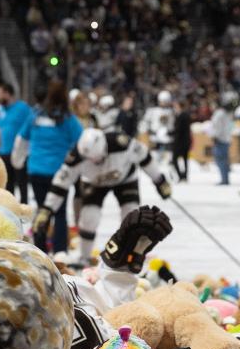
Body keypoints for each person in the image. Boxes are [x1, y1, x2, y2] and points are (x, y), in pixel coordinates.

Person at [34, 127, 172, 264]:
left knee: (131, 214)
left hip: (125, 179)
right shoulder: (75, 157)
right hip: (94, 183)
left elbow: (144, 157)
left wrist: (160, 180)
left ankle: (128, 253)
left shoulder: (121, 143)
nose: (95, 162)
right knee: (89, 217)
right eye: (91, 160)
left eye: (98, 159)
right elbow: (60, 184)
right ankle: (84, 256)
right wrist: (47, 209)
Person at [12, 80, 82, 255]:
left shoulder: (35, 115)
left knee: (43, 208)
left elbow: (21, 139)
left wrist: (17, 161)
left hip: (36, 170)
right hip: (59, 173)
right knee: (59, 212)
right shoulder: (68, 119)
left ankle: (40, 248)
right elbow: (82, 141)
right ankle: (59, 250)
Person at [0, 82, 31, 203]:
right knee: (7, 184)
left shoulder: (23, 108)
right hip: (4, 152)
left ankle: (24, 207)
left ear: (7, 93)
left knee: (22, 183)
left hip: (19, 152)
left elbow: (31, 125)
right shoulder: (2, 110)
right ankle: (11, 208)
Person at [139, 90, 175, 168]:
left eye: (166, 101)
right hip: (155, 136)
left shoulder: (172, 111)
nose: (164, 103)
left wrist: (172, 131)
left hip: (168, 136)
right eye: (162, 101)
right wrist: (145, 130)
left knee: (169, 156)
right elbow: (145, 122)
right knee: (155, 156)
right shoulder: (152, 111)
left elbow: (174, 124)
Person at [211, 92, 235, 185]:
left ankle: (224, 179)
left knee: (221, 160)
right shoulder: (227, 114)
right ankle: (225, 178)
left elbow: (217, 126)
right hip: (226, 139)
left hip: (220, 139)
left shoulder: (220, 114)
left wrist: (215, 136)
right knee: (224, 159)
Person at [172, 100, 192, 182]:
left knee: (175, 159)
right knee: (184, 159)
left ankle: (181, 176)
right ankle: (184, 176)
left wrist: (171, 133)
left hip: (180, 141)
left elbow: (179, 129)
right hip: (185, 141)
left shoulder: (182, 116)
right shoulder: (184, 115)